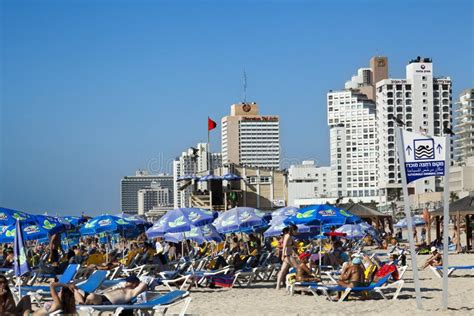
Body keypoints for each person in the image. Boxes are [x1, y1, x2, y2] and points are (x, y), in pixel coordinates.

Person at [73, 274, 147, 305]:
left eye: (128, 282)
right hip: (100, 297)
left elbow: (144, 284)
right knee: (73, 289)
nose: (126, 283)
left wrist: (139, 282)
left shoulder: (133, 292)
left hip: (105, 301)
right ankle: (81, 304)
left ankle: (81, 305)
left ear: (135, 284)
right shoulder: (123, 288)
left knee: (91, 296)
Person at [276, 225, 299, 290]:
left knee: (283, 271)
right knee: (297, 268)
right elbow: (284, 246)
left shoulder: (289, 236)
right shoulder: (288, 236)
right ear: (293, 230)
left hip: (288, 255)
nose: (296, 232)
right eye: (296, 230)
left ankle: (278, 286)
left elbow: (291, 246)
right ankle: (291, 283)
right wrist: (283, 255)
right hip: (287, 256)